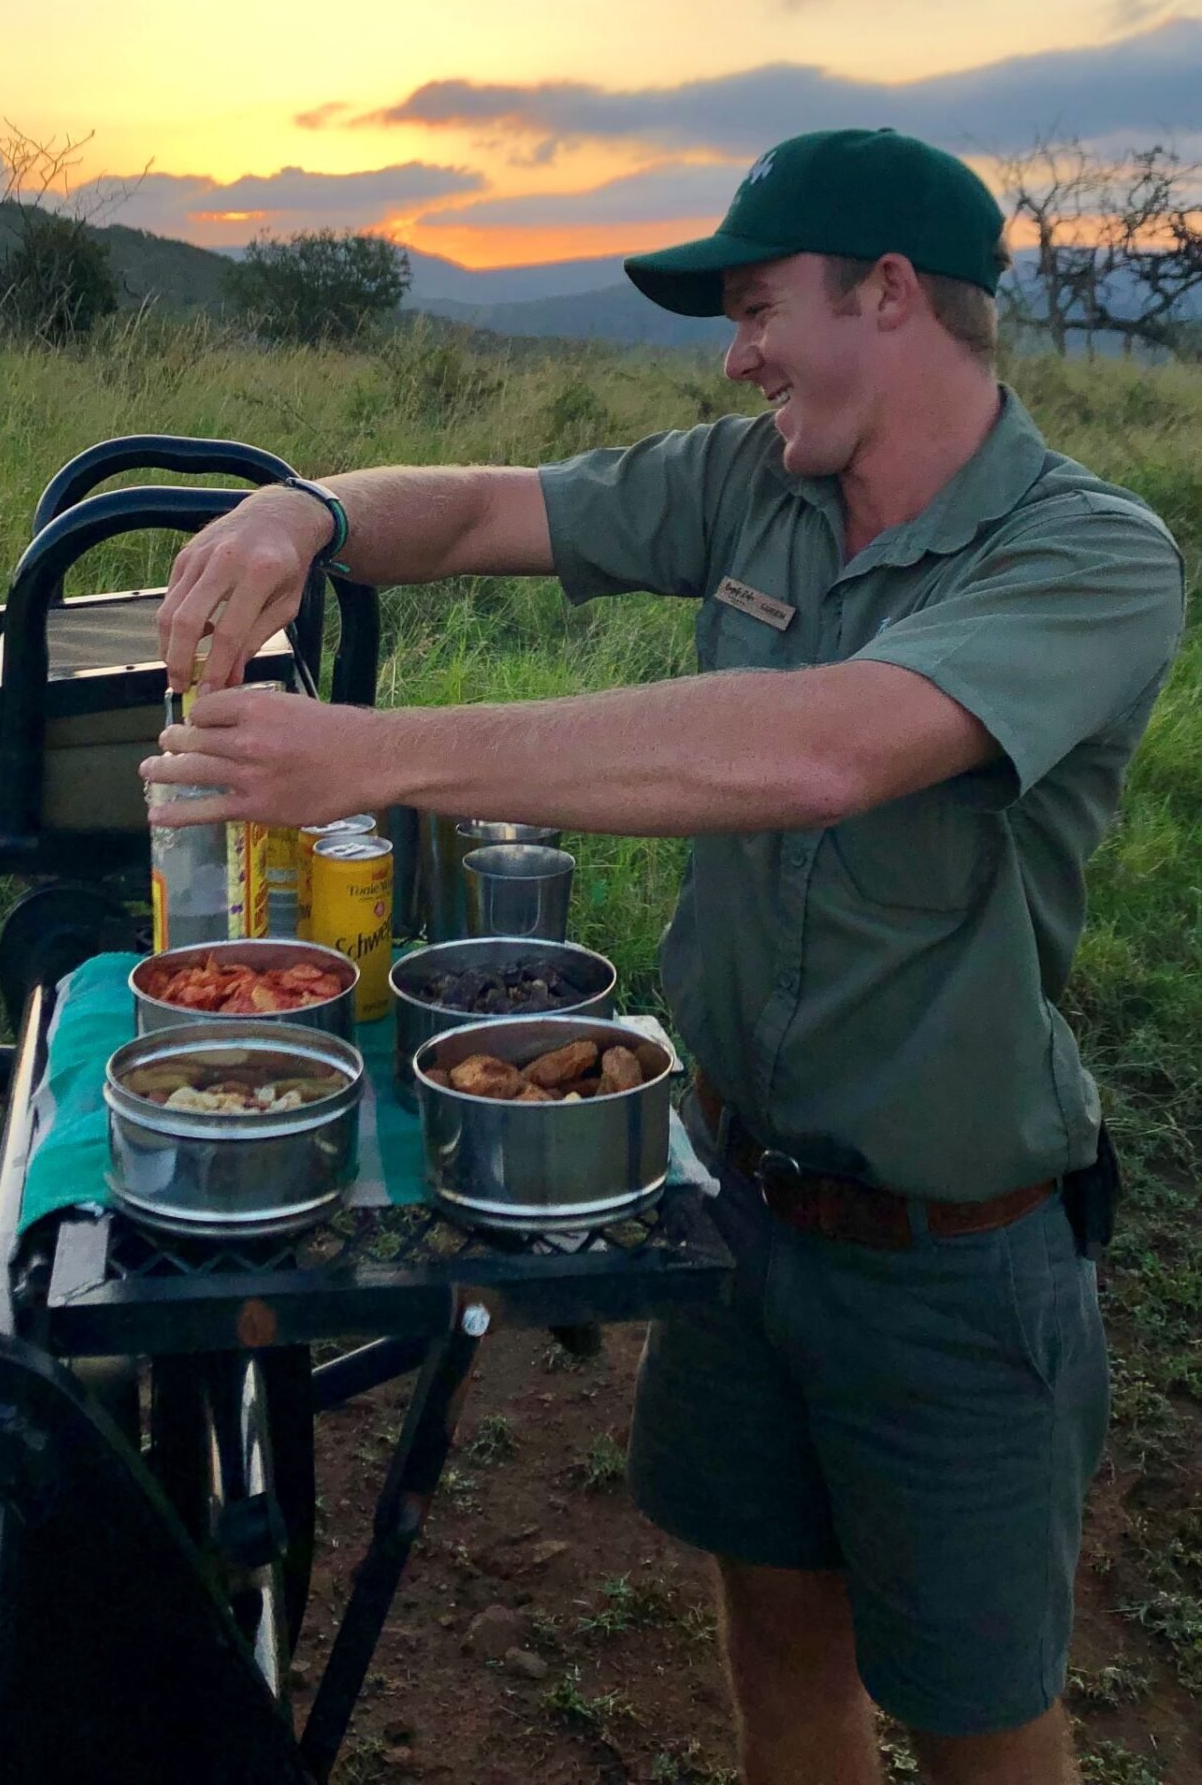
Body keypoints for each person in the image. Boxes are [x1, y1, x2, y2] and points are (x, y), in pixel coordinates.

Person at [146, 127, 1184, 1785]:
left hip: (955, 1254)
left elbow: (821, 751)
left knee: (984, 1729)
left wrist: (377, 752)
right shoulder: (756, 478)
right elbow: (488, 506)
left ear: (892, 296)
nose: (741, 351)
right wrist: (306, 513)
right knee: (778, 1651)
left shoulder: (1091, 554)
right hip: (737, 1207)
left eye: (763, 306)